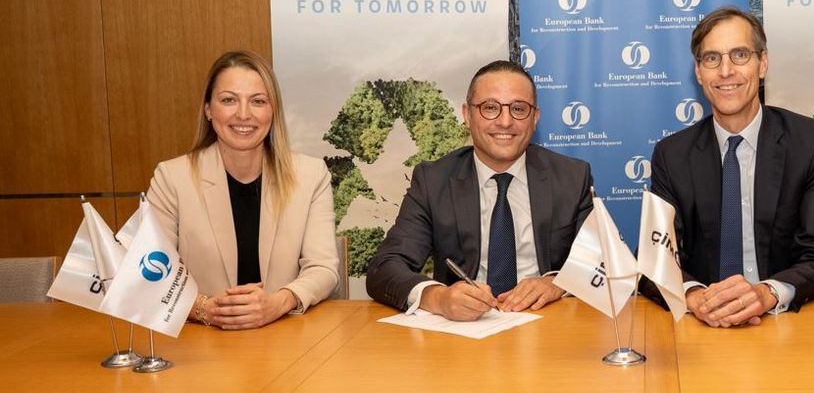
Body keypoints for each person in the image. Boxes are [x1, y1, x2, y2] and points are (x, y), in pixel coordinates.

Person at [650, 6, 814, 327]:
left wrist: (766, 293)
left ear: (762, 63)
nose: (726, 71)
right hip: (704, 327)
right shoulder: (672, 155)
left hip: (786, 324)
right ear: (698, 72)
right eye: (712, 58)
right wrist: (695, 296)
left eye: (740, 55)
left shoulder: (811, 143)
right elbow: (655, 257)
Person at [366, 60, 593, 321]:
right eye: (490, 108)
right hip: (463, 329)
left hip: (549, 324)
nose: (505, 121)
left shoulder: (572, 177)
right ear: (467, 115)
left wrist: (558, 282)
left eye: (519, 109)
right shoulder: (434, 181)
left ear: (535, 118)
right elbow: (385, 268)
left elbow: (604, 263)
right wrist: (438, 298)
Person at [147, 50, 340, 329]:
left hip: (285, 336)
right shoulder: (172, 178)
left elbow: (323, 268)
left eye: (258, 101)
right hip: (202, 340)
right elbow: (149, 271)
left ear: (273, 111)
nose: (243, 114)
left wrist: (278, 303)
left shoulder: (311, 175)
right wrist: (204, 309)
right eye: (229, 100)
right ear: (208, 109)